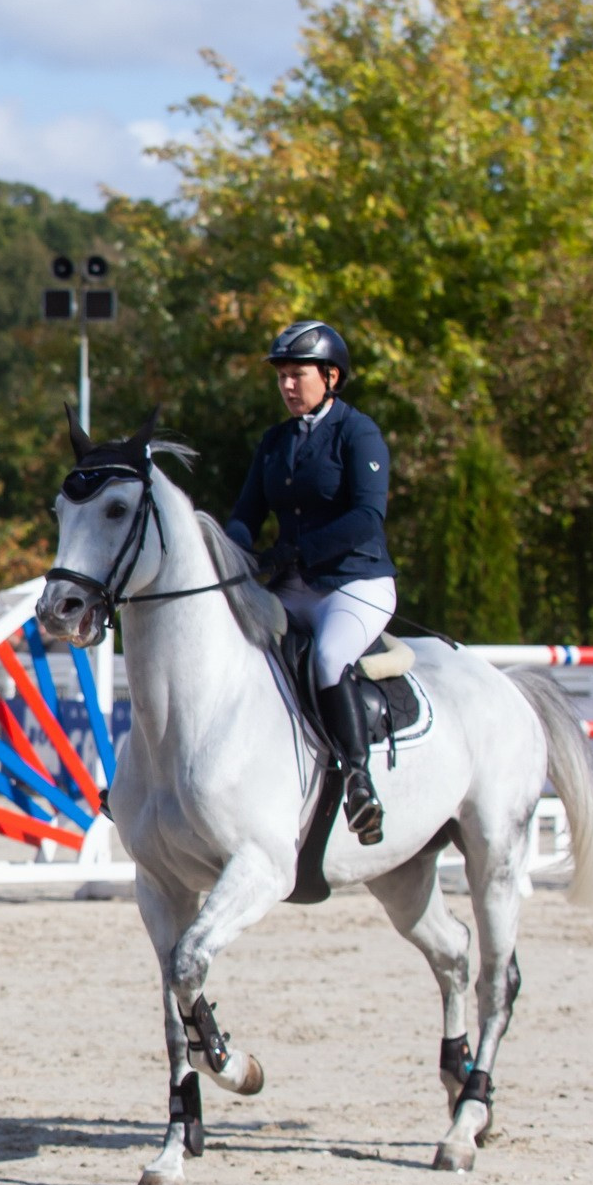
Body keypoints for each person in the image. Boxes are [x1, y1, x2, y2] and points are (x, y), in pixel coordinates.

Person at [223, 320, 396, 845]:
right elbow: (246, 514)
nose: (288, 386)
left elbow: (368, 517)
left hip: (354, 584)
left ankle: (359, 782)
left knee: (326, 659)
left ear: (331, 376)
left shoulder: (357, 432)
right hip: (294, 590)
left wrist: (298, 551)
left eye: (298, 375)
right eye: (282, 377)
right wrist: (230, 553)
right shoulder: (275, 442)